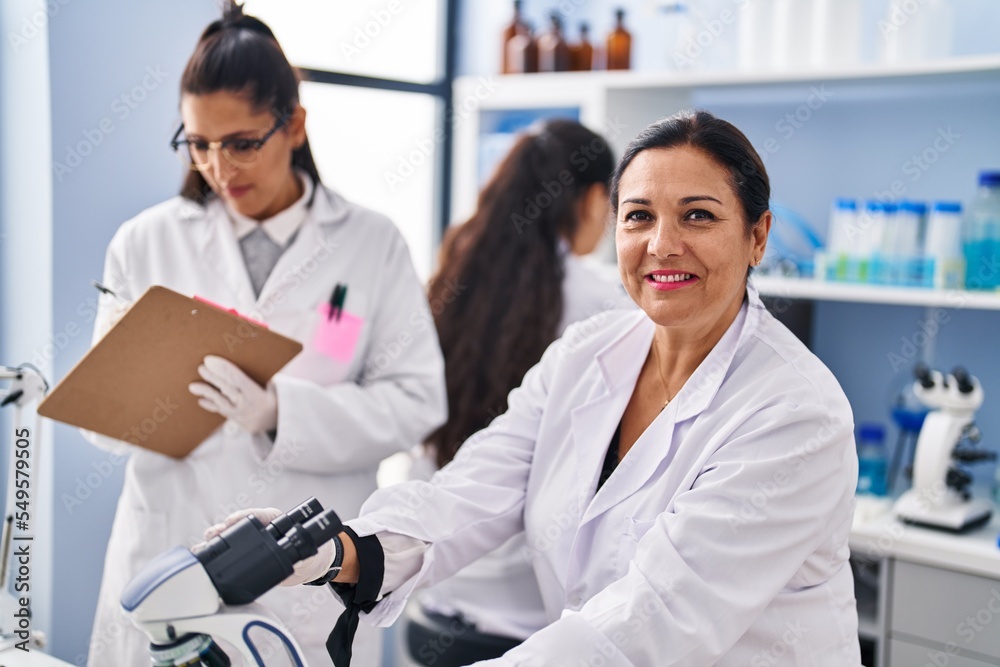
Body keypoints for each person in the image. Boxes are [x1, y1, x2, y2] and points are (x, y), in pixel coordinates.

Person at [215, 110, 862, 666]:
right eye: (638, 216)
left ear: (757, 236)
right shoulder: (586, 353)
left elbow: (657, 617)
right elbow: (469, 493)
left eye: (698, 215)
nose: (663, 244)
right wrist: (344, 549)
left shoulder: (794, 411)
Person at [84, 6, 446, 667]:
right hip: (168, 563)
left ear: (295, 125)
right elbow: (100, 423)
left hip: (304, 583)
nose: (220, 169)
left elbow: (418, 401)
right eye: (199, 144)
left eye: (242, 143)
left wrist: (284, 411)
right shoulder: (145, 242)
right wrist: (142, 393)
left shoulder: (369, 244)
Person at [407, 119, 633, 665]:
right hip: (528, 625)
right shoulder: (605, 309)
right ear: (594, 199)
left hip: (432, 601)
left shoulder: (450, 281)